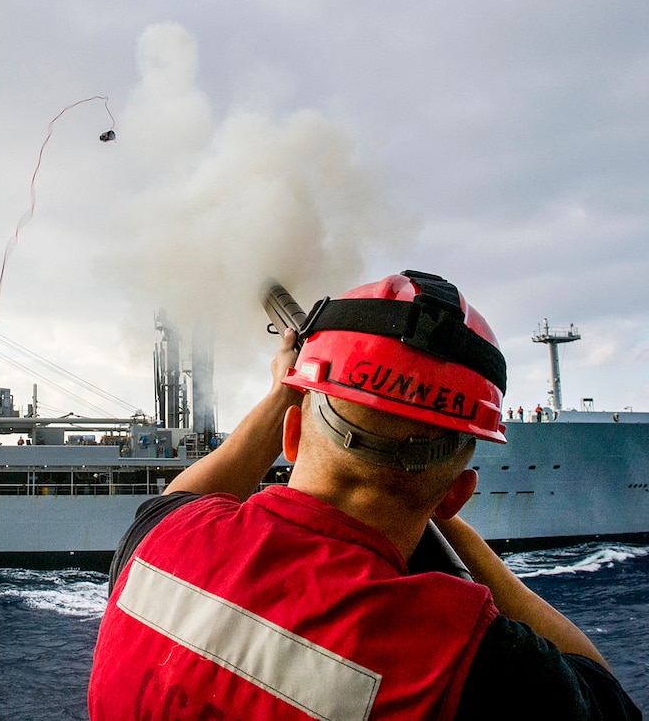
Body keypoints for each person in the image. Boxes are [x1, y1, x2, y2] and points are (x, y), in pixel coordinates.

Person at [88, 271, 640, 720]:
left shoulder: (159, 545)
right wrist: (438, 518)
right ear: (456, 496)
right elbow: (609, 703)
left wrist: (287, 389)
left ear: (292, 434)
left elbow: (180, 498)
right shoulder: (470, 662)